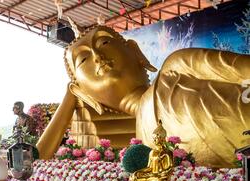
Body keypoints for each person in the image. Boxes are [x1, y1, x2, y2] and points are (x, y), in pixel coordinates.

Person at [36, 25, 250, 168]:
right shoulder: (146, 148)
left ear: (135, 51)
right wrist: (70, 96)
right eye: (83, 60)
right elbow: (33, 163)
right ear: (82, 90)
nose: (98, 57)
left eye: (104, 43)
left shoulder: (176, 68)